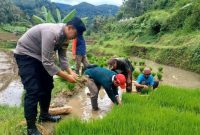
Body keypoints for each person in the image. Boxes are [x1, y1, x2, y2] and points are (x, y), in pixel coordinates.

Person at [14, 17, 85, 135]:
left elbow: (62, 57)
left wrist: (70, 71)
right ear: (70, 28)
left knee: (47, 86)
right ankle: (31, 128)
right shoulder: (51, 32)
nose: (75, 38)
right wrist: (67, 77)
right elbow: (47, 62)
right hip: (26, 54)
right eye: (76, 34)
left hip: (40, 56)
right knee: (33, 90)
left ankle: (44, 115)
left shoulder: (66, 37)